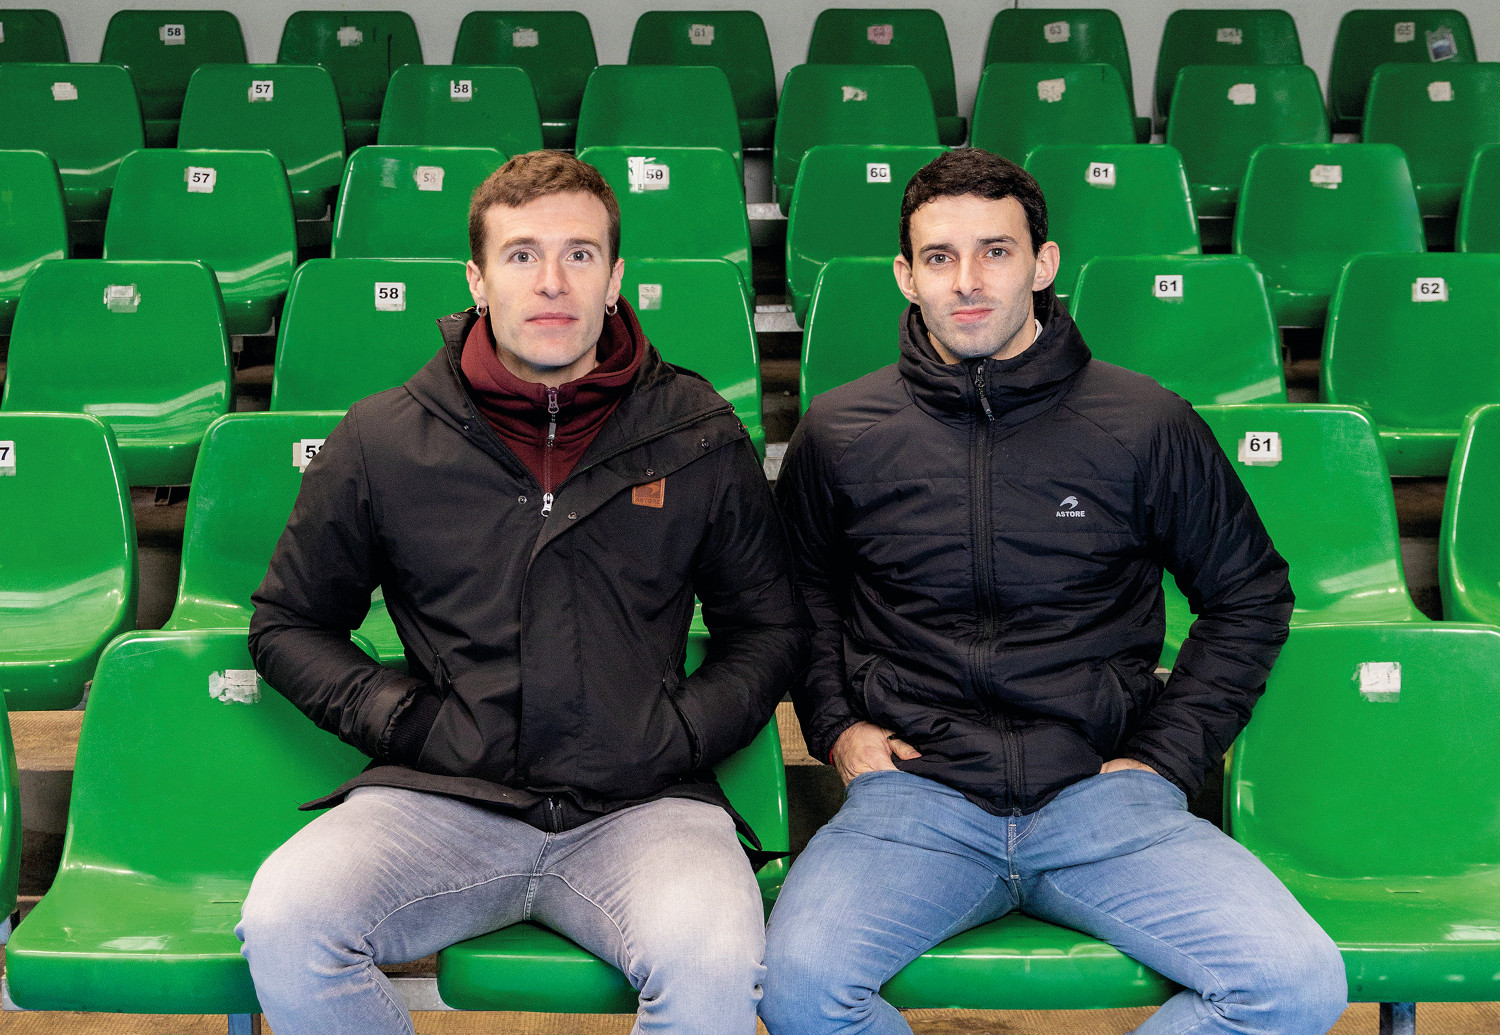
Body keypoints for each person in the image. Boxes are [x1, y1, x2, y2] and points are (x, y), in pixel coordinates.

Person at [760, 148, 1346, 1035]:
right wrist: (838, 729)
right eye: (939, 256)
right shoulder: (840, 432)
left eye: (995, 251)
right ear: (906, 276)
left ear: (1043, 263)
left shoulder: (1144, 423)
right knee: (799, 991)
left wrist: (1166, 755)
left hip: (1104, 794)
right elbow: (802, 596)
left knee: (1295, 982)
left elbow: (1249, 594)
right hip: (916, 796)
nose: (967, 280)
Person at [239, 150, 809, 1035]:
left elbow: (769, 627)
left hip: (643, 807)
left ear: (614, 279)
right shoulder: (384, 438)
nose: (552, 281)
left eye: (580, 254)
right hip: (448, 797)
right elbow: (286, 624)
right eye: (521, 255)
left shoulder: (696, 432)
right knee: (285, 920)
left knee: (715, 965)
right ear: (478, 280)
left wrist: (680, 730)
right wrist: (407, 721)